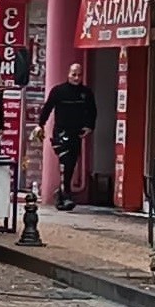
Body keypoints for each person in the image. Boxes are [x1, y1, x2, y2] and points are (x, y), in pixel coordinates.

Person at [32, 62, 97, 211]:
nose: (76, 78)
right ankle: (66, 193)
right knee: (65, 160)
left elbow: (92, 111)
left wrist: (89, 127)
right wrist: (40, 124)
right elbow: (48, 108)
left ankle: (61, 192)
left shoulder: (86, 93)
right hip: (61, 132)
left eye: (79, 75)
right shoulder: (58, 91)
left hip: (76, 132)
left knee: (71, 163)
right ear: (68, 74)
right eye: (74, 74)